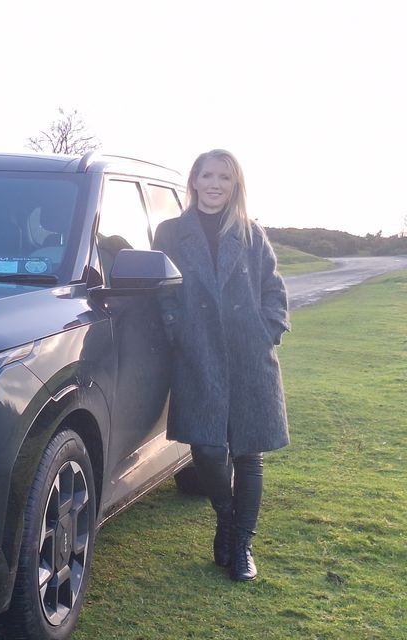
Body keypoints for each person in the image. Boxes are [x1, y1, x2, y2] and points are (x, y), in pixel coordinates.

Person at [153, 149, 290, 582]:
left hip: (250, 354)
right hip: (197, 353)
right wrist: (176, 331)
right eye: (207, 175)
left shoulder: (252, 233)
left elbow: (274, 288)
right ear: (193, 181)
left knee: (248, 454)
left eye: (224, 178)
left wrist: (268, 329)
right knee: (209, 448)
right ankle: (226, 519)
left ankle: (242, 544)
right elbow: (161, 291)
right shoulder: (171, 232)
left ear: (235, 185)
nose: (215, 184)